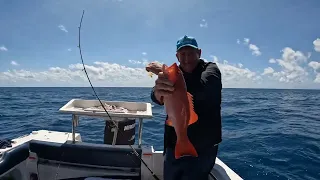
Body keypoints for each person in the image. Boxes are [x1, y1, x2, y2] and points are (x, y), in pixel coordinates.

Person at [149, 35, 222, 180]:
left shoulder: (211, 69)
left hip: (203, 148)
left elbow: (202, 86)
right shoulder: (173, 76)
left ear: (199, 53)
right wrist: (158, 93)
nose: (187, 58)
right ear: (177, 56)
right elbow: (155, 95)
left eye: (191, 53)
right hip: (173, 144)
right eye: (183, 54)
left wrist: (171, 77)